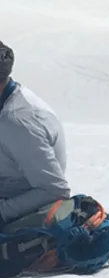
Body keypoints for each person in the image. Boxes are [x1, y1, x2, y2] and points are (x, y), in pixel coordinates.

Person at [0, 42, 71, 227]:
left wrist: (3, 211)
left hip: (17, 208)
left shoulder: (17, 121)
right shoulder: (9, 99)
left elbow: (54, 190)